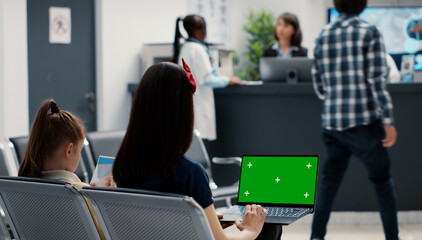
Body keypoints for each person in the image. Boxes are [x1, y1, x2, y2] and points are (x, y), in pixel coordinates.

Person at [113, 61, 270, 240]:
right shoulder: (191, 174)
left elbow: (153, 227)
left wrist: (201, 222)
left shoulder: (123, 167)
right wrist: (251, 230)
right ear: (182, 114)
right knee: (267, 228)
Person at [310, 0, 399, 240]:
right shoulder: (369, 31)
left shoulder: (323, 34)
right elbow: (377, 80)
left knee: (329, 183)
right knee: (382, 182)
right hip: (364, 125)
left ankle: (316, 237)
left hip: (332, 124)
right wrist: (388, 120)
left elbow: (319, 86)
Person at [18, 99, 108, 239]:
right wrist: (104, 197)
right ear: (69, 150)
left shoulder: (22, 189)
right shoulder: (82, 194)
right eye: (80, 151)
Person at [173, 14, 244, 141]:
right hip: (199, 105)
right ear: (199, 30)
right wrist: (228, 80)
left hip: (191, 104)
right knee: (199, 142)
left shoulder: (186, 48)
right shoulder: (197, 50)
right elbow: (207, 79)